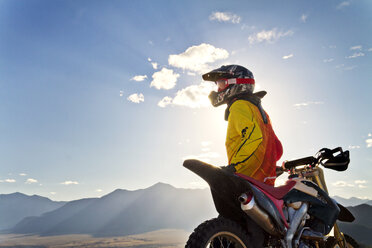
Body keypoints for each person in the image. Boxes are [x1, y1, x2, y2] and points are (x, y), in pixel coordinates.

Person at [203, 65, 283, 186]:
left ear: (236, 83)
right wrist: (266, 167)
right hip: (264, 182)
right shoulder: (257, 109)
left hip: (247, 180)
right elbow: (278, 149)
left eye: (221, 84)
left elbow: (254, 136)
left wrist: (234, 167)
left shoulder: (238, 106)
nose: (219, 90)